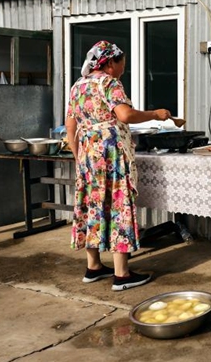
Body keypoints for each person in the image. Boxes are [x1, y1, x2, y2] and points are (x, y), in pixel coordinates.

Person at [65, 40, 172, 291]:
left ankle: (94, 267)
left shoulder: (77, 86)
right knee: (117, 205)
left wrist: (78, 155)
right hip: (111, 154)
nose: (124, 67)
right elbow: (124, 115)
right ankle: (122, 275)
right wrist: (155, 114)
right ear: (111, 62)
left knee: (92, 205)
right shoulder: (109, 83)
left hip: (88, 155)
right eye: (122, 62)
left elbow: (70, 126)